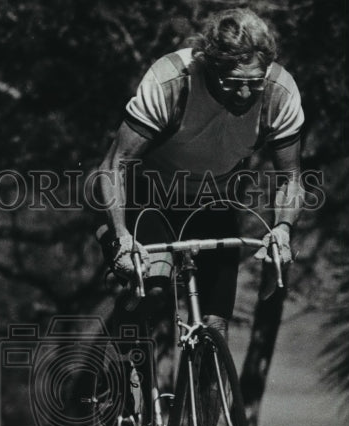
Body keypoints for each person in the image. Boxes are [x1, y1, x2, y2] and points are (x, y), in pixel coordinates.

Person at [95, 6, 305, 339]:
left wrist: (282, 229)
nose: (246, 95)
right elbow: (115, 164)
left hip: (212, 201)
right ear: (210, 64)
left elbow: (290, 178)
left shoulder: (279, 92)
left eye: (255, 83)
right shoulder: (172, 81)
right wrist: (122, 236)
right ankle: (124, 367)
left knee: (215, 327)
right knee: (157, 288)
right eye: (234, 83)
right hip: (150, 197)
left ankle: (208, 384)